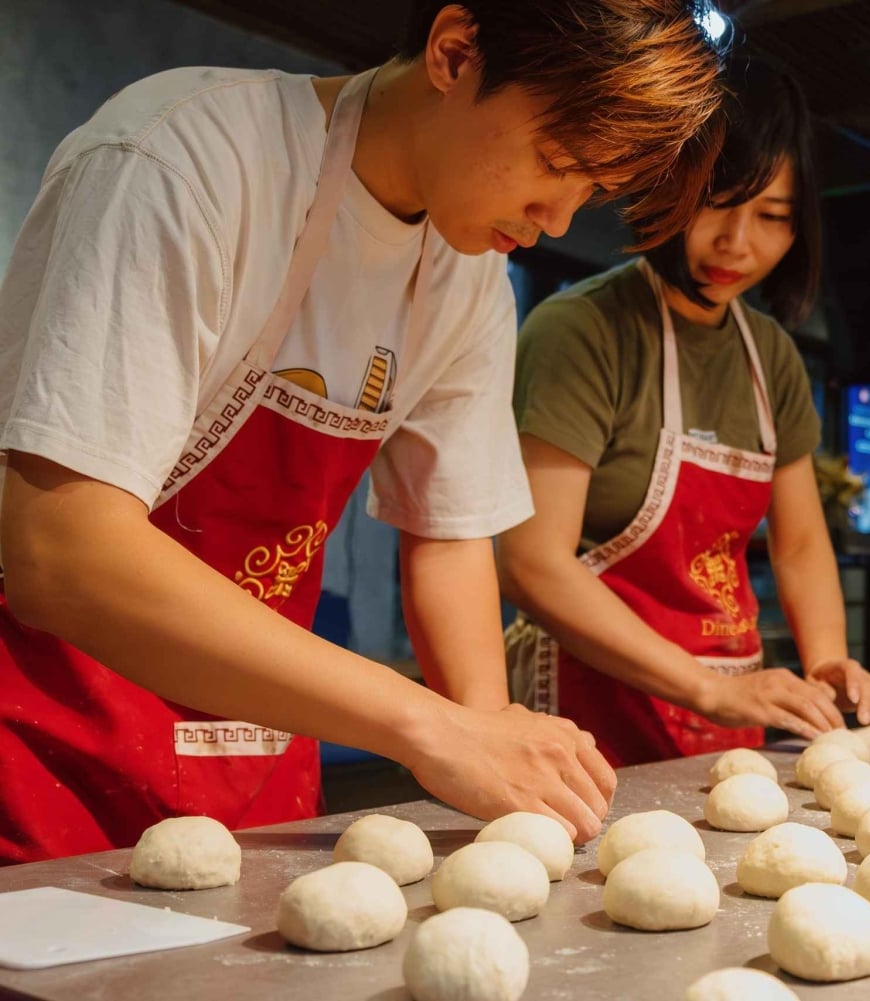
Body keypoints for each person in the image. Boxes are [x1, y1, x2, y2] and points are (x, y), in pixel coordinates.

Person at [0, 0, 728, 864]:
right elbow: (61, 548)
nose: (560, 220)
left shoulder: (468, 279)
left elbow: (451, 537)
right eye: (555, 162)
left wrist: (501, 762)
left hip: (257, 768)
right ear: (456, 53)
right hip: (45, 755)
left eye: (592, 192)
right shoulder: (185, 162)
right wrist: (427, 725)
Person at [497, 54, 870, 766]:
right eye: (716, 204)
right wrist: (704, 688)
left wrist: (829, 662)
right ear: (665, 188)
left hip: (725, 722)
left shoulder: (770, 355)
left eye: (771, 217)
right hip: (585, 717)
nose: (739, 244)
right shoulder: (582, 330)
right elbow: (530, 562)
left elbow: (799, 544)